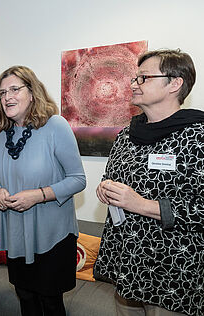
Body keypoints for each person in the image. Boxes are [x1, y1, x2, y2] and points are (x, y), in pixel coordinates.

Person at [95, 49, 204, 316]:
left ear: (175, 84)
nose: (133, 84)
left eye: (143, 78)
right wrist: (105, 189)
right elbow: (111, 178)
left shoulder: (198, 137)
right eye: (135, 77)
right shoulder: (126, 134)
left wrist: (142, 205)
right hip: (127, 267)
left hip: (172, 274)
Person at [0, 65, 86, 316]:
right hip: (15, 233)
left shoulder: (55, 126)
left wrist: (37, 195)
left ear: (32, 92)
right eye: (2, 92)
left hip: (51, 234)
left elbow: (78, 179)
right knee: (25, 298)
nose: (7, 97)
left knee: (50, 303)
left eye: (14, 89)